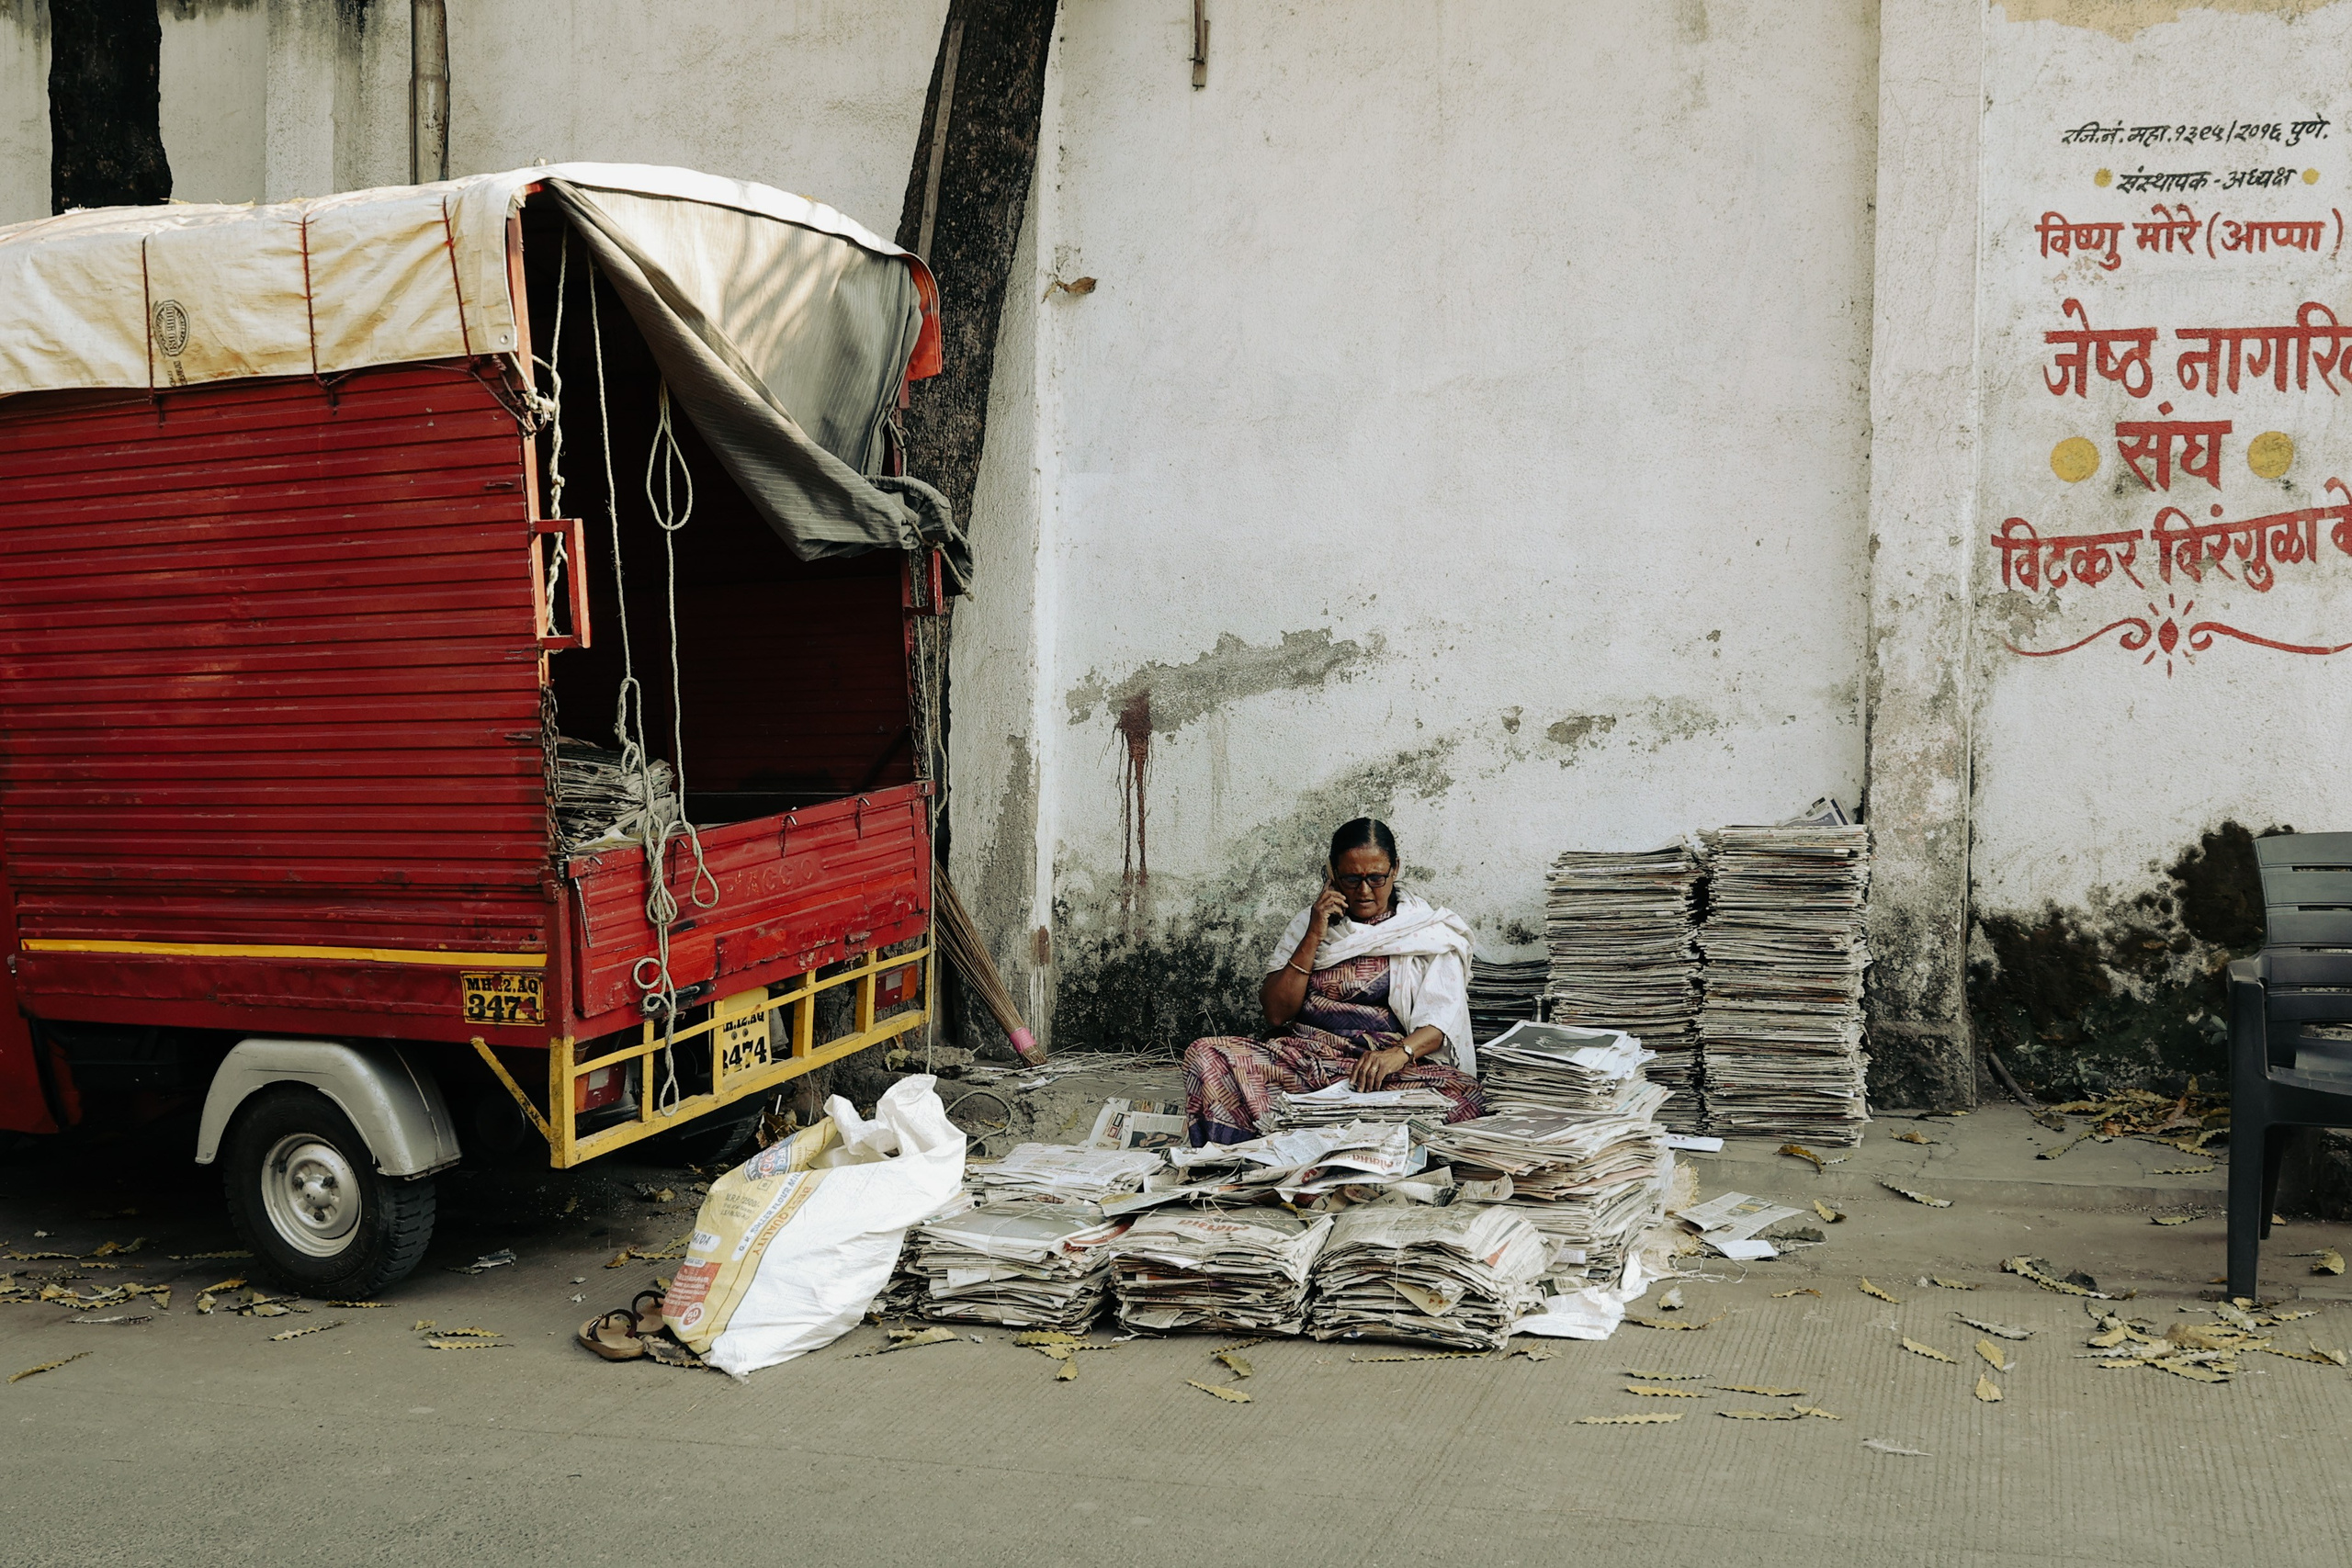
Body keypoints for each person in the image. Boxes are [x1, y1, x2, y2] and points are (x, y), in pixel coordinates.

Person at [1182, 818, 1486, 1145]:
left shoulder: (1427, 931)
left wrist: (1399, 1053)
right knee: (1206, 1054)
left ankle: (1312, 1135)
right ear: (1332, 874)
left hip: (1378, 1072)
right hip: (1302, 1062)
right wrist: (1315, 932)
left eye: (1376, 878)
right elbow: (1275, 1014)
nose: (1365, 890)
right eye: (1352, 878)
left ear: (1395, 869)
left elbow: (1440, 1022)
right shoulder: (1310, 924)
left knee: (1464, 1096)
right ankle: (1288, 1142)